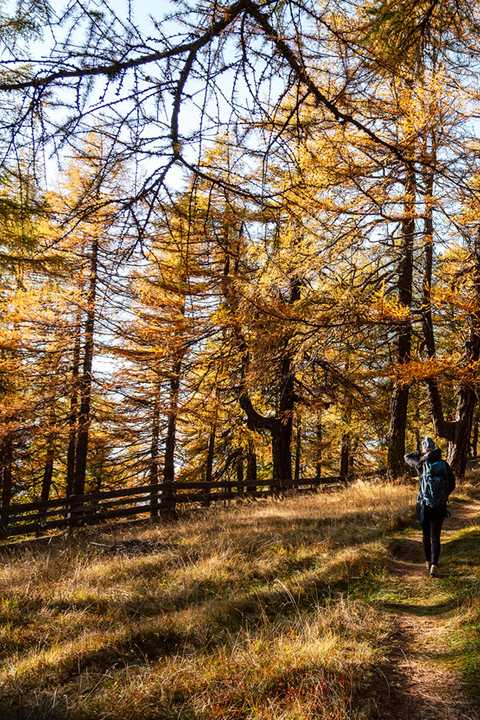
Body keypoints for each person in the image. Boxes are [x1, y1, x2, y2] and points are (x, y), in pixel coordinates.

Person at [404, 437, 455, 577]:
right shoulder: (444, 464)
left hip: (424, 505)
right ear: (435, 448)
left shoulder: (421, 463)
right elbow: (452, 484)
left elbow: (406, 457)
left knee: (426, 535)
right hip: (440, 506)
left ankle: (427, 562)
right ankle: (434, 564)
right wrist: (443, 497)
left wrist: (420, 453)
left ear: (425, 448)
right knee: (436, 536)